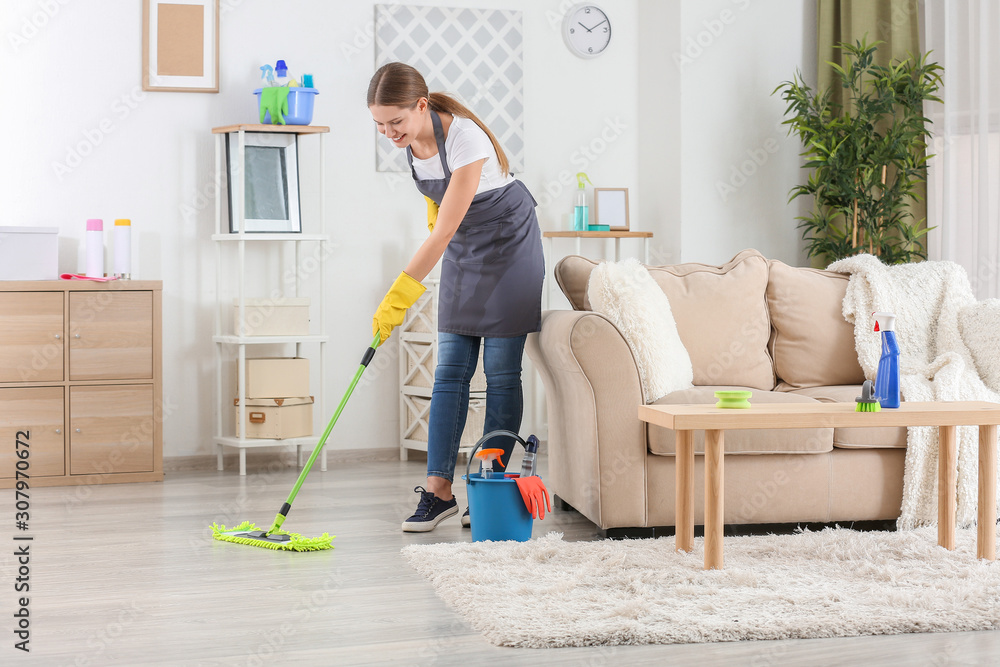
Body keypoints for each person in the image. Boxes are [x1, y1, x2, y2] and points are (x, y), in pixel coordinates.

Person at [367, 62, 544, 532]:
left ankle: (490, 483)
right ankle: (439, 492)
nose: (388, 132)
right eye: (379, 124)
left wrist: (398, 296)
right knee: (449, 372)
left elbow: (442, 231)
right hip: (465, 246)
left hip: (510, 247)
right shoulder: (412, 142)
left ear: (421, 107)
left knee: (501, 372)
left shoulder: (466, 137)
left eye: (395, 122)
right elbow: (440, 210)